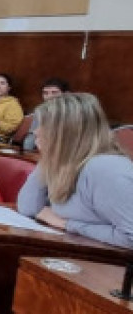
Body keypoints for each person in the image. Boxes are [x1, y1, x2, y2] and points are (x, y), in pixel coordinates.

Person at [17, 93, 133, 249]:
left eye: (45, 125)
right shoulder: (66, 163)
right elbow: (29, 208)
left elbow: (130, 237)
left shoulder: (105, 168)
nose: (36, 131)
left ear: (66, 132)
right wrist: (48, 157)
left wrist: (69, 225)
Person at [22, 78, 69, 152]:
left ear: (66, 94)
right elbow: (32, 134)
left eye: (54, 93)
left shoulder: (73, 112)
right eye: (45, 93)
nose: (49, 96)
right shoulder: (40, 110)